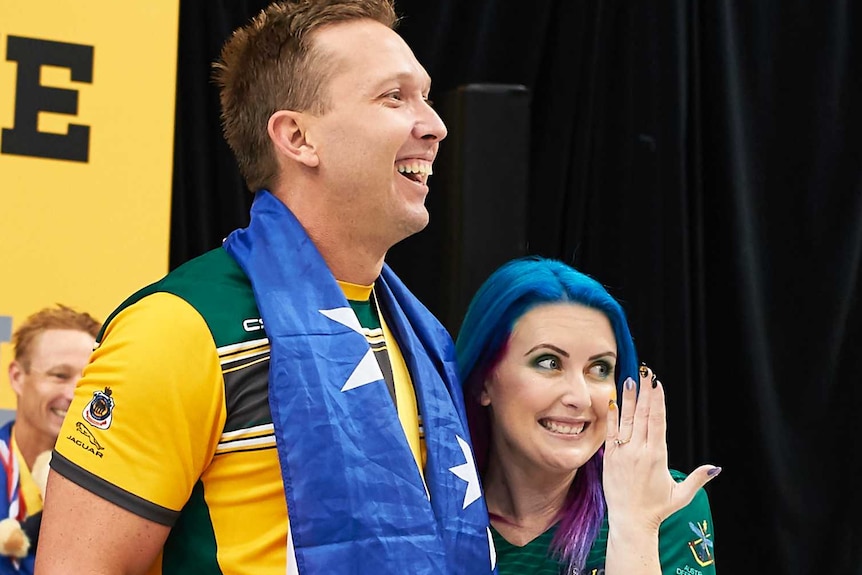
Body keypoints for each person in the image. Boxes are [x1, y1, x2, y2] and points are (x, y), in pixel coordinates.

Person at [35, 1, 494, 574]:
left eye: (424, 95)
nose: (434, 124)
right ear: (298, 137)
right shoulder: (181, 327)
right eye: (393, 97)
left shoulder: (423, 336)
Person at [456, 256, 719, 575]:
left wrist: (635, 526)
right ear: (484, 380)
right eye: (548, 363)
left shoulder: (665, 502)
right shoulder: (429, 509)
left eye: (600, 369)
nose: (580, 398)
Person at [1, 304, 99, 574]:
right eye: (60, 375)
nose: (75, 393)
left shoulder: (116, 484)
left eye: (89, 379)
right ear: (18, 377)